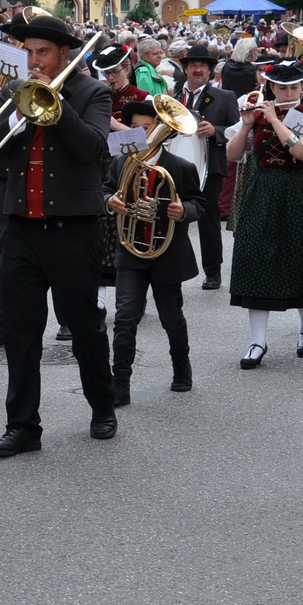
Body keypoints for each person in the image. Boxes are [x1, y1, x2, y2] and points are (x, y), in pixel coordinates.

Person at [0, 15, 117, 456]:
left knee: (86, 326)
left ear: (63, 55)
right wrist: (14, 110)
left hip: (73, 228)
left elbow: (93, 149)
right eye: (29, 52)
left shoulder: (94, 93)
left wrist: (53, 104)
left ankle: (102, 406)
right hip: (20, 227)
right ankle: (22, 427)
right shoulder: (14, 94)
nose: (34, 61)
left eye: (43, 53)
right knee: (20, 331)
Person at [222, 59, 303, 369]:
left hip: (300, 189)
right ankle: (258, 340)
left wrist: (275, 118)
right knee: (254, 257)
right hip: (264, 189)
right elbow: (233, 155)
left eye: (293, 87)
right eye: (281, 87)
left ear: (302, 87)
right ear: (270, 86)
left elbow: (301, 152)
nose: (287, 92)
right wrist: (246, 123)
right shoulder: (255, 115)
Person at [105, 99, 202, 406]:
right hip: (131, 251)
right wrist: (110, 201)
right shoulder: (121, 163)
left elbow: (200, 204)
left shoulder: (181, 168)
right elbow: (104, 189)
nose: (141, 134)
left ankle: (181, 369)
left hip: (167, 250)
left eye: (148, 128)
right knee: (125, 318)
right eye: (135, 128)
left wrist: (182, 209)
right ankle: (120, 383)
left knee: (171, 317)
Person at [167, 43, 238, 289]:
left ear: (210, 71)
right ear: (185, 69)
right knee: (176, 218)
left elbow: (238, 131)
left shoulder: (225, 96)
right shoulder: (174, 97)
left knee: (208, 220)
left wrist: (216, 131)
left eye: (203, 66)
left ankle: (213, 271)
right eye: (194, 65)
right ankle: (174, 269)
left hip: (211, 167)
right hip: (177, 167)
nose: (198, 70)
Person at [92, 46, 148, 131]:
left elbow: (151, 139)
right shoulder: (99, 97)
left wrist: (117, 126)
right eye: (106, 73)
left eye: (115, 72)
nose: (110, 78)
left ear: (127, 69)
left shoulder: (144, 97)